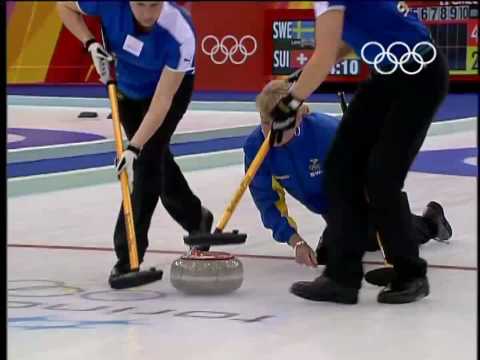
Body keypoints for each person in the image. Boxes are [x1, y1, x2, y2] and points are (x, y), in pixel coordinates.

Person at [268, 1, 449, 304]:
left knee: (381, 177)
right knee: (341, 167)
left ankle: (411, 273)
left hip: (420, 77)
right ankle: (341, 277)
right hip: (389, 75)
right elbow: (341, 43)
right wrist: (300, 77)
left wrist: (289, 104)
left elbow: (324, 56)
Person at [57, 2, 213, 285]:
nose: (147, 13)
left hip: (168, 94)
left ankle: (128, 256)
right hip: (126, 88)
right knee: (157, 160)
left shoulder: (180, 32)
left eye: (154, 4)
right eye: (140, 4)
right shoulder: (107, 3)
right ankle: (196, 218)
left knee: (146, 162)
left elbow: (162, 102)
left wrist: (134, 147)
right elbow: (63, 6)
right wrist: (90, 43)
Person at [245, 80, 452, 269]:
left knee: (375, 235)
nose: (272, 133)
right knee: (342, 248)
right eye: (265, 123)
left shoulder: (326, 133)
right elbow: (267, 201)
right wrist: (295, 240)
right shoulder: (255, 148)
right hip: (328, 205)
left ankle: (431, 223)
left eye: (281, 125)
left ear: (298, 118)